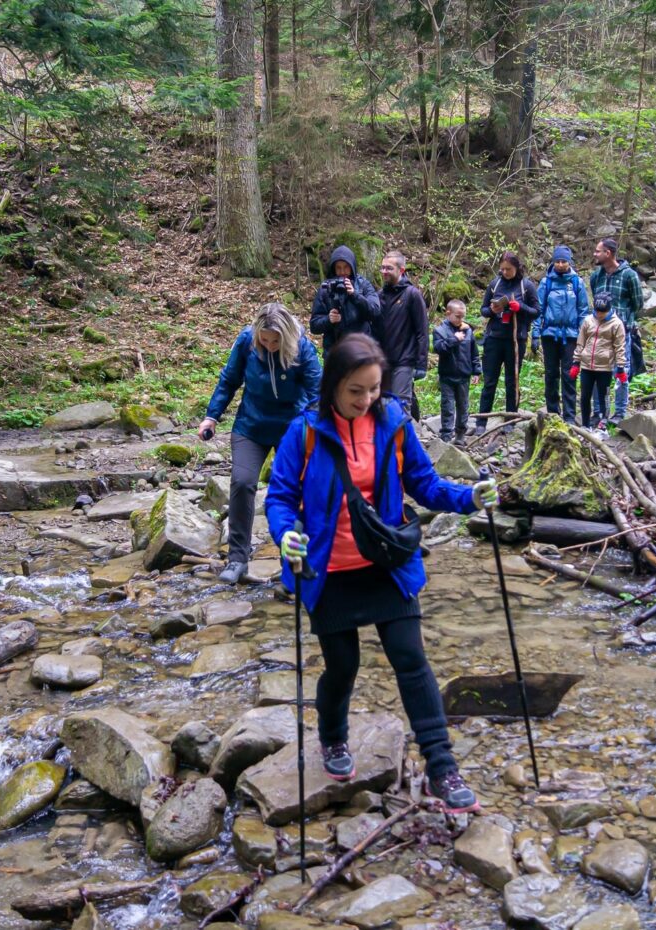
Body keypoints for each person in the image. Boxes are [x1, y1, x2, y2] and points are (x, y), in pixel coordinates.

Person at [265, 334, 499, 813]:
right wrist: (286, 535)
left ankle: (441, 767)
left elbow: (425, 484)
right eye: (356, 390)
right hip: (329, 569)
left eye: (374, 388)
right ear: (333, 384)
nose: (367, 399)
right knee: (343, 666)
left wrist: (469, 498)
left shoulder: (393, 423)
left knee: (411, 659)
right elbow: (281, 497)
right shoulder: (304, 432)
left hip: (385, 563)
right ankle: (334, 737)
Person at [199, 303, 322, 585]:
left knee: (296, 490)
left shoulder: (302, 348)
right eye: (264, 340)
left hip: (291, 428)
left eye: (275, 341)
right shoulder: (247, 341)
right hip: (251, 425)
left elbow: (317, 392)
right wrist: (211, 417)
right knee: (242, 482)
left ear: (286, 336)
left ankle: (293, 563)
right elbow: (229, 380)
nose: (269, 345)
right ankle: (237, 560)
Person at [475, 251, 539, 432]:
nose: (505, 272)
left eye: (508, 269)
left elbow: (536, 311)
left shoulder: (526, 286)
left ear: (516, 268)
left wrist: (521, 307)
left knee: (512, 382)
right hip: (494, 338)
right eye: (502, 269)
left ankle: (510, 421)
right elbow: (483, 309)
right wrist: (492, 310)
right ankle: (481, 422)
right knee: (489, 382)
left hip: (516, 340)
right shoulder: (495, 284)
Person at [588, 237, 644, 424]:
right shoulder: (596, 276)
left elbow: (638, 303)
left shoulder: (629, 275)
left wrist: (624, 319)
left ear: (608, 253)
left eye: (598, 251)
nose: (595, 254)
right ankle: (599, 412)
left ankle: (619, 413)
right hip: (599, 333)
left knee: (621, 372)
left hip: (621, 333)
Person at [531, 244, 589, 422]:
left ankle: (570, 416)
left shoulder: (577, 282)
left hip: (571, 336)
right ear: (553, 262)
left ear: (569, 262)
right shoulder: (546, 282)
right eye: (558, 261)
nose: (561, 264)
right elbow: (538, 309)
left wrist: (582, 337)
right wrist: (535, 334)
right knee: (551, 375)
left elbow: (583, 311)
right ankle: (553, 413)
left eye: (564, 261)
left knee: (569, 375)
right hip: (549, 334)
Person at [375, 251, 429, 419]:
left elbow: (422, 331)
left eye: (389, 268)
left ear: (401, 270)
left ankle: (406, 434)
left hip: (404, 359)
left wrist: (421, 364)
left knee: (401, 405)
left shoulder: (412, 294)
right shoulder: (380, 296)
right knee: (383, 405)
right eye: (383, 268)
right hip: (383, 360)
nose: (384, 271)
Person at [568, 293, 627, 430]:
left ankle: (603, 424)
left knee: (603, 397)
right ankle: (585, 425)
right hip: (587, 365)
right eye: (597, 311)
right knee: (585, 396)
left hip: (605, 367)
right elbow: (580, 343)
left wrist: (620, 367)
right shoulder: (588, 320)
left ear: (609, 310)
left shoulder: (616, 324)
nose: (599, 314)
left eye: (602, 312)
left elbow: (620, 347)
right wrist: (576, 362)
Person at [309, 245, 381, 354]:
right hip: (335, 352)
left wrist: (354, 295)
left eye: (346, 267)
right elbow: (314, 326)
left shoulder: (363, 285)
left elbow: (375, 312)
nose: (342, 272)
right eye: (338, 267)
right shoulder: (326, 289)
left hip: (361, 350)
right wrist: (328, 320)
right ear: (333, 268)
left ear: (352, 267)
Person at [432, 299, 480, 444]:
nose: (461, 319)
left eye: (463, 316)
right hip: (447, 375)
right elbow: (439, 348)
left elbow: (474, 353)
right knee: (447, 406)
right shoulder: (440, 331)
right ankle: (446, 435)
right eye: (458, 316)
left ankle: (460, 434)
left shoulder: (468, 330)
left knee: (463, 406)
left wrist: (476, 371)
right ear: (448, 313)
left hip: (464, 375)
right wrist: (454, 339)